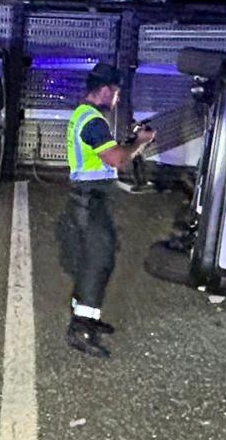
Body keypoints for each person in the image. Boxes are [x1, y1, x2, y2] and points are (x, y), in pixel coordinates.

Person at [57, 62, 155, 357]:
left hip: (89, 197)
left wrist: (128, 143)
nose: (117, 99)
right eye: (115, 93)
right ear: (103, 90)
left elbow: (105, 154)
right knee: (97, 262)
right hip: (92, 199)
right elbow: (117, 160)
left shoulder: (86, 116)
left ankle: (87, 315)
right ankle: (80, 330)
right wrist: (140, 141)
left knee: (95, 258)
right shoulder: (94, 121)